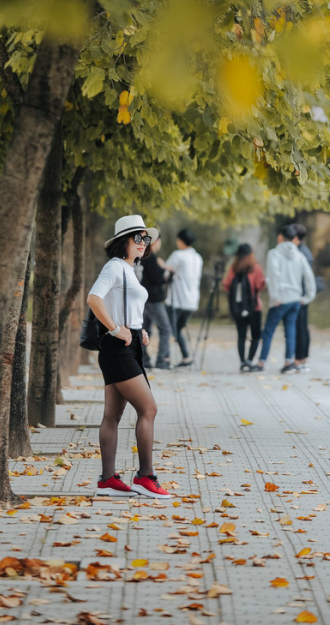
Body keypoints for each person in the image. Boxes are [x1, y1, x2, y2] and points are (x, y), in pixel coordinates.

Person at [86, 214, 171, 499]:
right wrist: (115, 329)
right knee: (149, 409)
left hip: (128, 345)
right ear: (124, 241)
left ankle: (108, 480)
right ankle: (145, 477)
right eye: (138, 238)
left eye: (147, 239)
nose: (144, 243)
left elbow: (124, 307)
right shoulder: (114, 267)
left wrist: (138, 331)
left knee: (112, 415)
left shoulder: (128, 270)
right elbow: (94, 298)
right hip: (117, 349)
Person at [253, 223, 316, 374]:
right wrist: (307, 297)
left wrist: (275, 297)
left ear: (281, 237)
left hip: (280, 299)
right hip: (295, 299)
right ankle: (289, 362)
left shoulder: (274, 254)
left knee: (268, 331)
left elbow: (274, 276)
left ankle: (261, 363)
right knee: (290, 332)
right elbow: (309, 278)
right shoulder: (300, 256)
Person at [223, 244, 266, 372]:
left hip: (238, 308)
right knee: (255, 336)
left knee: (241, 335)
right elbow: (260, 285)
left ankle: (242, 361)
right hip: (255, 307)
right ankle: (249, 360)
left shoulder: (233, 268)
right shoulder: (256, 268)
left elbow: (226, 285)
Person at [165, 228, 203, 367]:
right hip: (192, 301)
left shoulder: (178, 255)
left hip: (177, 300)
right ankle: (186, 356)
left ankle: (166, 358)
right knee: (177, 329)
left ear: (181, 241)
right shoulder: (198, 257)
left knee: (169, 329)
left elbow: (165, 272)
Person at [140, 236, 174, 369]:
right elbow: (157, 278)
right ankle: (162, 360)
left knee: (145, 330)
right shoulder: (151, 257)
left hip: (144, 300)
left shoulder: (142, 256)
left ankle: (144, 359)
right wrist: (166, 271)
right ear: (154, 242)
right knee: (165, 329)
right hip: (154, 299)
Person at [293, 223, 314, 372]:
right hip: (300, 295)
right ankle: (301, 358)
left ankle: (301, 359)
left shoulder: (302, 253)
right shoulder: (301, 251)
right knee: (301, 327)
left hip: (301, 296)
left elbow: (306, 278)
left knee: (300, 327)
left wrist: (304, 297)